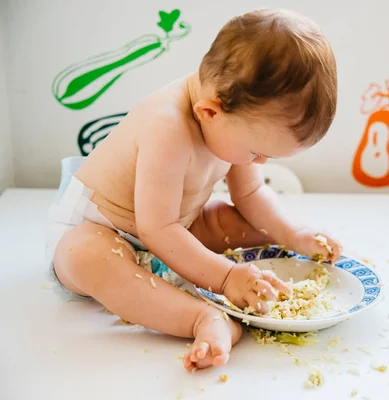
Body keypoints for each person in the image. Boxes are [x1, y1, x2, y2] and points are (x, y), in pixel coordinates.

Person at [45, 8, 341, 371]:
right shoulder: (167, 127)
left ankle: (278, 245)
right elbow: (156, 228)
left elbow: (248, 196)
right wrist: (226, 276)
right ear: (210, 112)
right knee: (87, 255)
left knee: (245, 226)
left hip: (175, 228)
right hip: (106, 232)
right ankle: (200, 318)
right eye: (255, 152)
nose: (260, 162)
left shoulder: (236, 113)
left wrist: (292, 234)